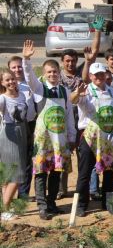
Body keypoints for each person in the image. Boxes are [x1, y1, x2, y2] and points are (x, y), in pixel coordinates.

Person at [22, 40, 77, 220]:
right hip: (43, 139)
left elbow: (69, 115)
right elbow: (29, 76)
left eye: (54, 71)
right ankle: (42, 205)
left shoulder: (64, 91)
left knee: (56, 171)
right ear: (44, 74)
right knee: (40, 172)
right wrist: (26, 60)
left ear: (58, 72)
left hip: (59, 139)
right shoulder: (39, 88)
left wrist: (71, 136)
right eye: (49, 72)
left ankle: (52, 202)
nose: (52, 74)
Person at [73, 63, 113, 216]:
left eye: (101, 74)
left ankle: (107, 203)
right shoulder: (86, 91)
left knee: (109, 172)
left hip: (108, 138)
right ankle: (81, 205)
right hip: (89, 138)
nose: (99, 77)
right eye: (95, 75)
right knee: (85, 173)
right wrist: (77, 93)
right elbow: (72, 100)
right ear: (90, 76)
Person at [0, 69, 34, 221]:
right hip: (9, 136)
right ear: (2, 83)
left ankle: (5, 208)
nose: (11, 82)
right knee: (17, 174)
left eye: (12, 79)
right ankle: (4, 209)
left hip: (22, 134)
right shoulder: (2, 99)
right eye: (7, 80)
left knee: (8, 174)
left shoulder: (22, 95)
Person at [7, 55, 37, 200]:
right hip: (10, 127)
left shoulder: (30, 84)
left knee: (26, 159)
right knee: (10, 159)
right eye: (14, 67)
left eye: (19, 66)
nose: (17, 69)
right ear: (9, 69)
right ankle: (7, 193)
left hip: (29, 125)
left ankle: (23, 193)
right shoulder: (4, 87)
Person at [58, 48, 82, 199]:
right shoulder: (57, 77)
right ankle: (61, 189)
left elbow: (91, 60)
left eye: (73, 60)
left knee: (82, 154)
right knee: (63, 153)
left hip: (79, 117)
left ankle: (82, 187)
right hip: (64, 118)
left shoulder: (81, 76)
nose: (70, 63)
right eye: (67, 60)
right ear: (62, 62)